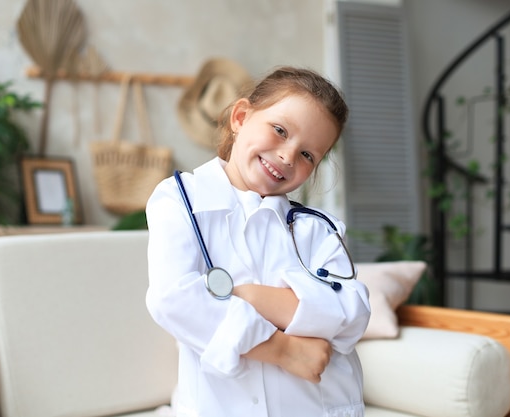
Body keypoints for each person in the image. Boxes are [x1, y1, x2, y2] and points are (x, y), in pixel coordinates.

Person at [146, 66, 371, 417]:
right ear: (240, 117)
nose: (287, 156)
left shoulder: (317, 229)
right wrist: (284, 350)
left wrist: (247, 295)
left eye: (308, 155)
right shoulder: (179, 200)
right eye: (280, 130)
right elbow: (173, 299)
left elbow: (353, 312)